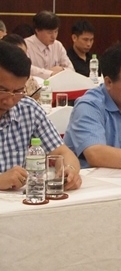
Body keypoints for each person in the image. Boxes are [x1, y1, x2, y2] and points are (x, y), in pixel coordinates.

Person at [0, 41, 81, 191]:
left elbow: (62, 152)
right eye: (2, 90)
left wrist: (69, 170)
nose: (9, 100)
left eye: (18, 91)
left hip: (21, 201)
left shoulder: (28, 109)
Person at [25, 10, 74, 79]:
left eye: (56, 31)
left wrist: (62, 69)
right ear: (37, 30)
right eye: (49, 32)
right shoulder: (26, 45)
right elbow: (27, 69)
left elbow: (71, 69)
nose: (54, 36)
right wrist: (50, 73)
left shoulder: (57, 45)